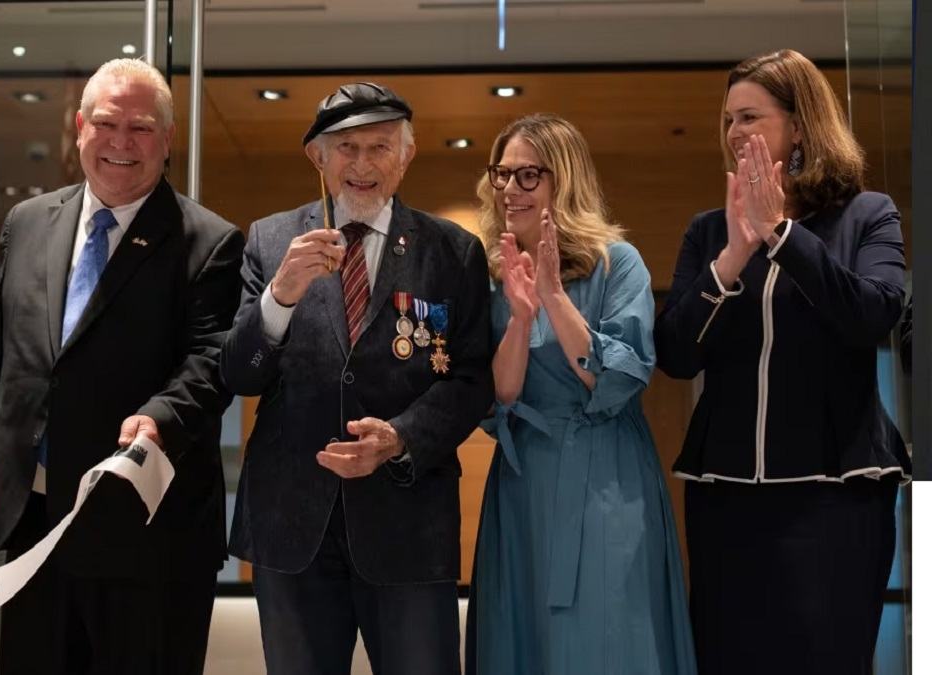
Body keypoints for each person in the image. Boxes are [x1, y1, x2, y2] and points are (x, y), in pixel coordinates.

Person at [0, 58, 244, 675]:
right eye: (108, 124)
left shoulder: (210, 241)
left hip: (146, 536)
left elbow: (211, 364)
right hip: (33, 523)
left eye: (141, 129)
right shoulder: (28, 222)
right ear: (79, 127)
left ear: (167, 141)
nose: (122, 142)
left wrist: (156, 418)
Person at [221, 82, 493, 675]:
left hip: (408, 522)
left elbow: (471, 379)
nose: (363, 164)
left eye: (379, 147)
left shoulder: (453, 252)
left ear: (407, 155)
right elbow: (238, 374)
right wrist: (280, 297)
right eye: (346, 147)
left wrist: (400, 437)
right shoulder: (270, 241)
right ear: (317, 157)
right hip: (292, 525)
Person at [654, 49, 908, 674]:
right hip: (728, 500)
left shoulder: (867, 215)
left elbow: (874, 316)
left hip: (835, 497)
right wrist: (735, 255)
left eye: (751, 117)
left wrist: (783, 236)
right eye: (727, 120)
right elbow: (676, 355)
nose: (736, 132)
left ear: (799, 127)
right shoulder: (708, 231)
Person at [465, 113, 696, 675]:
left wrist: (553, 296)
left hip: (605, 478)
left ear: (562, 181)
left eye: (528, 176)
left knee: (607, 632)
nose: (511, 190)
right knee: (521, 634)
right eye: (503, 174)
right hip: (523, 482)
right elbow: (498, 396)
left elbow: (620, 377)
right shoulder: (488, 276)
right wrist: (520, 318)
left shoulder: (619, 263)